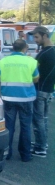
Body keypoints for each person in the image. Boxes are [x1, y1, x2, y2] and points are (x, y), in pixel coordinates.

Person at [0, 39, 39, 162]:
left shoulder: (3, 62)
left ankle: (7, 153)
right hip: (26, 98)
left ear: (13, 48)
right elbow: (36, 79)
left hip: (8, 98)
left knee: (9, 126)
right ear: (25, 48)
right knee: (25, 126)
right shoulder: (31, 62)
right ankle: (25, 155)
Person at [31, 26, 55, 158]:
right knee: (44, 119)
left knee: (38, 120)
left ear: (44, 36)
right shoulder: (53, 51)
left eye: (36, 37)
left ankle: (40, 148)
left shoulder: (44, 53)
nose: (35, 40)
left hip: (40, 91)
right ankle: (43, 143)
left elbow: (34, 73)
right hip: (49, 90)